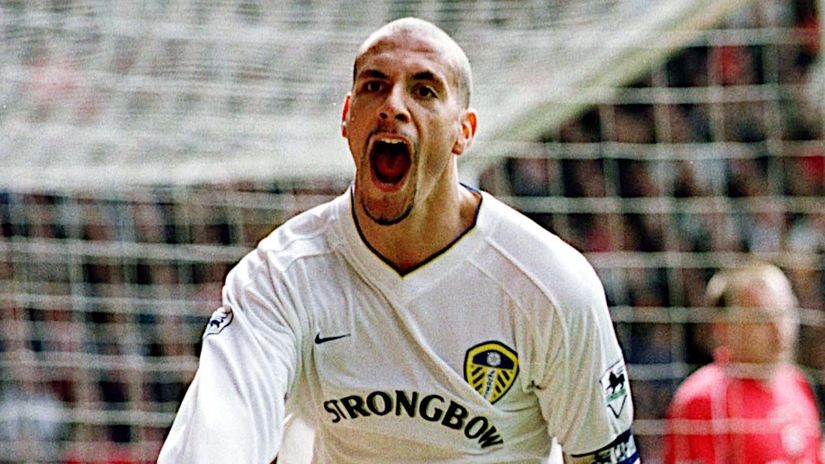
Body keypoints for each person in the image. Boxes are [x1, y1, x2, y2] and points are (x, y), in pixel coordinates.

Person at [158, 17, 638, 463]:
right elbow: (215, 438)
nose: (392, 105)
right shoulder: (281, 277)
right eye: (374, 85)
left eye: (424, 90)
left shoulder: (551, 285)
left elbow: (602, 454)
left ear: (463, 132)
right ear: (347, 118)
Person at [663, 262, 824, 464]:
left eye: (785, 312)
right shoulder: (701, 401)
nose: (779, 328)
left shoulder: (797, 383)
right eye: (762, 318)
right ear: (724, 328)